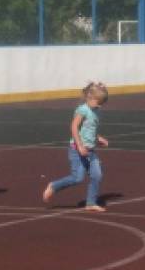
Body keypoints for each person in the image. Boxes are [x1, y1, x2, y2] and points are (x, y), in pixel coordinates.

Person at [43, 81, 110, 211]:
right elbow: (74, 127)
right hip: (77, 150)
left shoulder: (96, 111)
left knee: (97, 175)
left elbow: (90, 129)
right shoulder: (83, 110)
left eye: (102, 103)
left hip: (90, 151)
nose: (100, 106)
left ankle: (90, 202)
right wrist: (79, 146)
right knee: (77, 178)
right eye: (98, 102)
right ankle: (53, 186)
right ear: (90, 98)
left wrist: (98, 138)